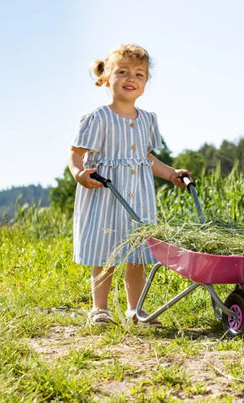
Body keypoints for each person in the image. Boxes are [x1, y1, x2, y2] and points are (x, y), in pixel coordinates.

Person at [68, 44, 190, 326]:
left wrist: (171, 173)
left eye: (138, 73)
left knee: (138, 254)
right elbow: (75, 152)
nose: (130, 78)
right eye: (122, 72)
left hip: (139, 198)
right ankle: (100, 309)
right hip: (106, 193)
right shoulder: (98, 118)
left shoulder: (147, 120)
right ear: (105, 78)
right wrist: (79, 174)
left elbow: (146, 158)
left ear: (146, 82)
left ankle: (136, 310)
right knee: (106, 251)